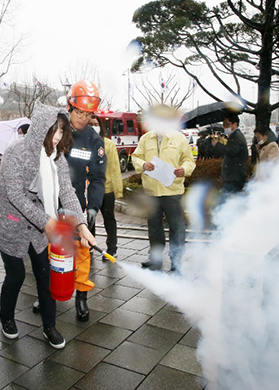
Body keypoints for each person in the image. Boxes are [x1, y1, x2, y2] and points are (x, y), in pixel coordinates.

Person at [0, 102, 97, 349]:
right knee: (15, 276)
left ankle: (50, 327)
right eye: (54, 131)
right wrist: (46, 221)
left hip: (38, 227)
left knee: (45, 274)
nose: (58, 137)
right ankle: (6, 317)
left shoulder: (55, 155)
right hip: (9, 225)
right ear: (40, 129)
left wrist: (81, 225)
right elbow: (16, 195)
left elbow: (67, 191)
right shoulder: (16, 152)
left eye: (62, 131)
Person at [131, 105, 195, 273]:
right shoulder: (145, 139)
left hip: (172, 192)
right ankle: (156, 259)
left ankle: (176, 262)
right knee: (154, 228)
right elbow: (136, 158)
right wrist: (143, 164)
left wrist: (184, 169)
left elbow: (189, 161)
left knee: (177, 227)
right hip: (152, 192)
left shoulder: (179, 138)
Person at [64, 80, 106, 321]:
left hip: (78, 205)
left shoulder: (93, 140)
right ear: (70, 106)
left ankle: (81, 297)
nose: (84, 117)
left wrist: (93, 207)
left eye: (88, 113)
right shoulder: (56, 130)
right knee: (48, 252)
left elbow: (98, 178)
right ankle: (48, 291)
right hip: (50, 204)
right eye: (80, 112)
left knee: (82, 254)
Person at [88, 116, 123, 261]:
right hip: (89, 190)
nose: (93, 126)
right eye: (90, 124)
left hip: (106, 189)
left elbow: (115, 168)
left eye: (96, 124)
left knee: (109, 220)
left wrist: (118, 190)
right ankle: (89, 246)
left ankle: (112, 249)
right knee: (89, 220)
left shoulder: (108, 144)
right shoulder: (82, 143)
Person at [212, 114, 248, 196]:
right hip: (234, 176)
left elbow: (232, 151)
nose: (225, 127)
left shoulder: (236, 136)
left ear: (235, 124)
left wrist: (217, 145)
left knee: (224, 204)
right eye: (224, 125)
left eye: (227, 124)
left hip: (234, 176)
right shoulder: (234, 136)